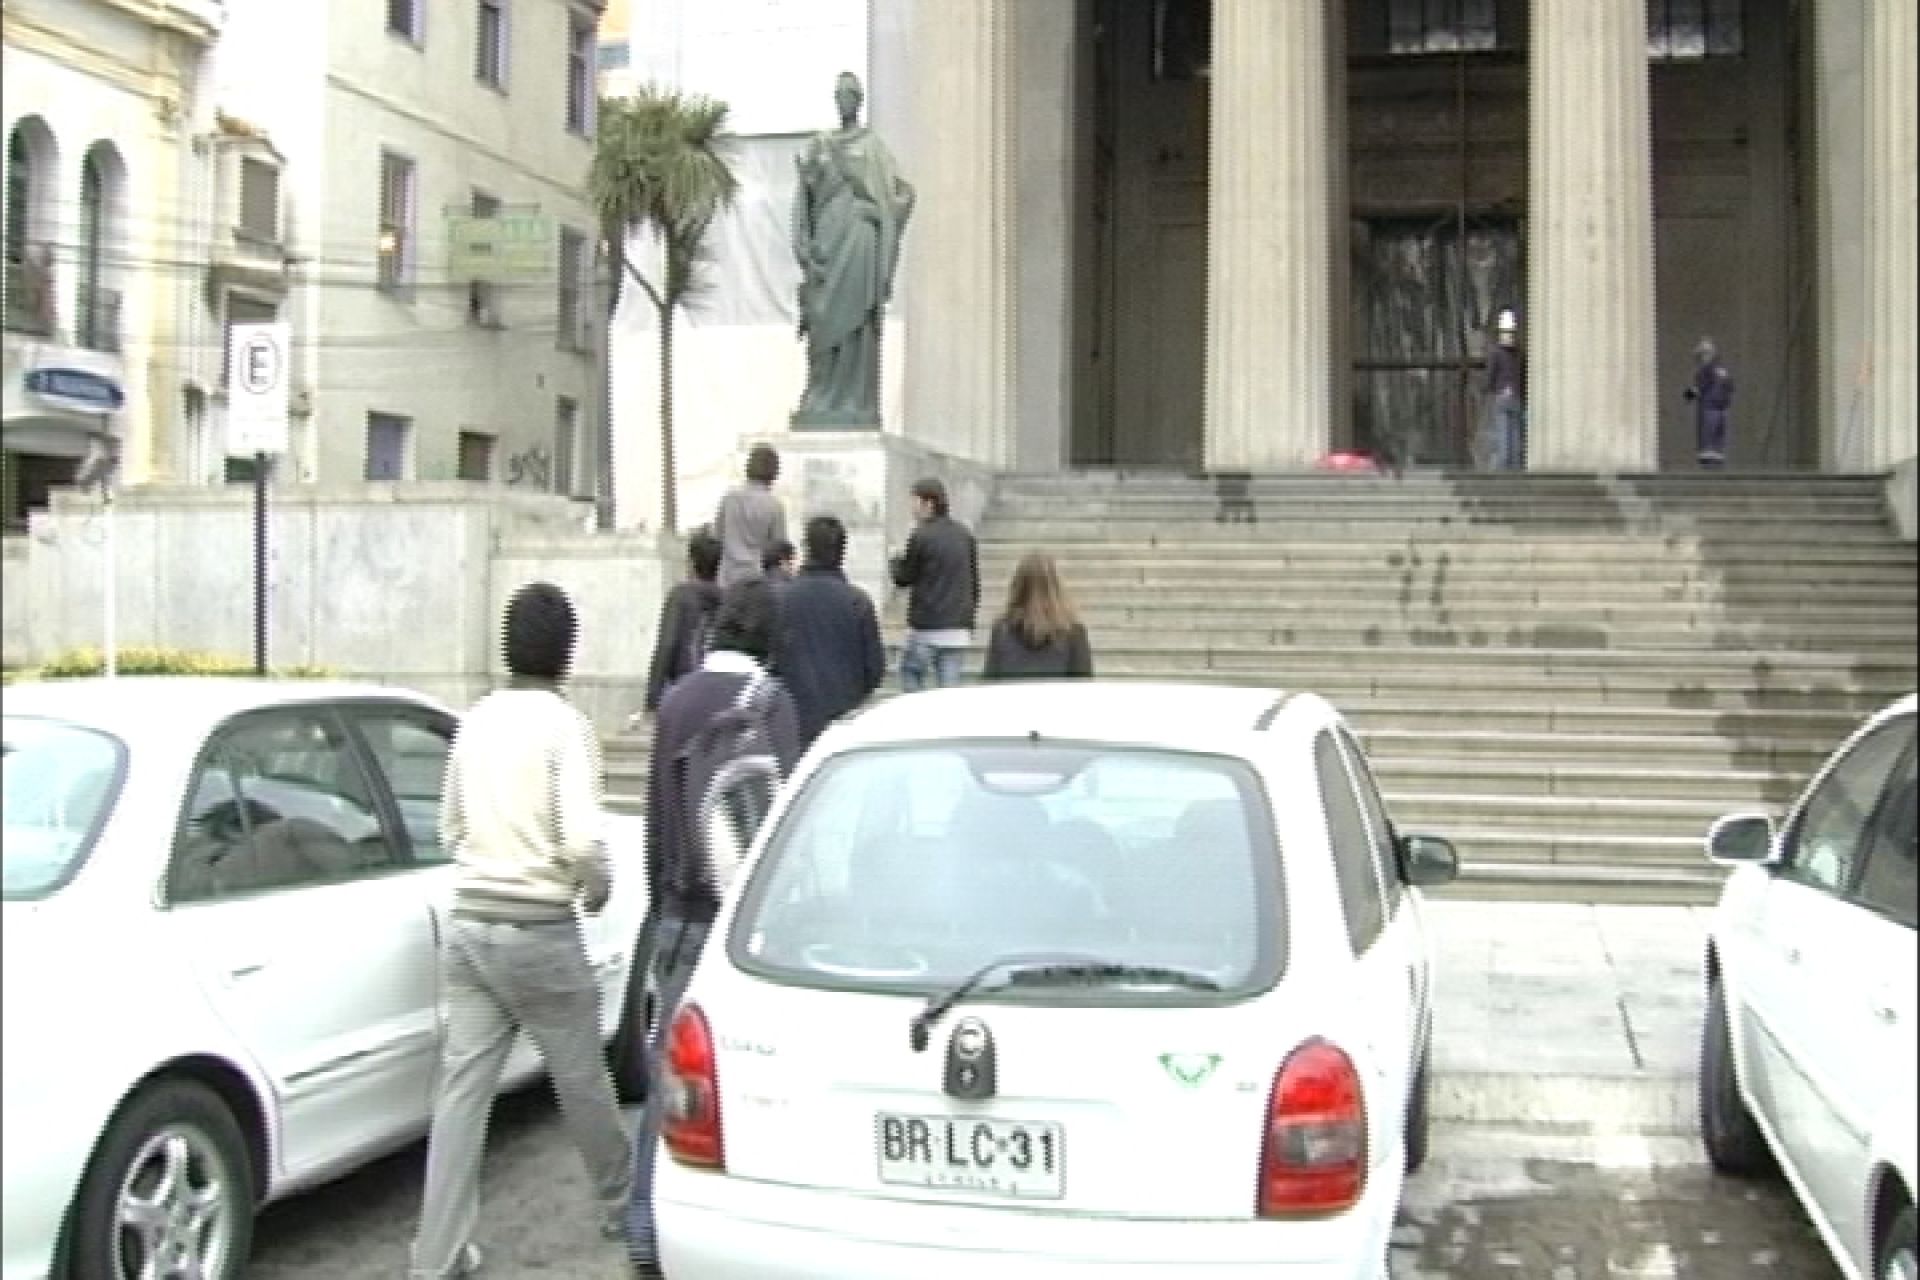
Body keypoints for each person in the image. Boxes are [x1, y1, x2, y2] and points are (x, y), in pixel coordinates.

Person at [410, 583, 631, 1280]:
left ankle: (436, 1255)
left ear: (506, 646)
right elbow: (583, 841)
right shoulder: (565, 727)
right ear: (568, 652)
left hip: (470, 926)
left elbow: (448, 828)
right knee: (582, 1080)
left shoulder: (474, 721)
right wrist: (597, 887)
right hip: (540, 929)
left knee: (461, 1095)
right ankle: (623, 1207)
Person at [628, 579, 800, 1279]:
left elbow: (657, 816)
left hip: (682, 911)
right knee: (762, 1077)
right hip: (743, 924)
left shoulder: (676, 702)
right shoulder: (774, 704)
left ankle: (646, 1224)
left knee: (669, 1078)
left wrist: (659, 909)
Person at [791, 71, 916, 426]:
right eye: (839, 95)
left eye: (849, 95)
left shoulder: (873, 147)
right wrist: (804, 242)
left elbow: (902, 194)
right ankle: (822, 397)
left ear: (858, 101)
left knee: (857, 323)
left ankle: (855, 400)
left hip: (860, 238)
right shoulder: (820, 145)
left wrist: (880, 212)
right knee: (822, 320)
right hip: (827, 241)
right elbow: (804, 197)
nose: (843, 101)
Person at [776, 515, 887, 749]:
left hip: (794, 720)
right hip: (844, 718)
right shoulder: (858, 602)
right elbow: (875, 669)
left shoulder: (781, 600)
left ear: (806, 548)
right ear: (842, 552)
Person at [890, 477, 979, 692]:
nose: (912, 508)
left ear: (928, 504)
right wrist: (968, 619)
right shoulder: (964, 534)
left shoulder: (921, 535)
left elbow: (904, 578)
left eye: (915, 502)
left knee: (911, 674)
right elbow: (974, 582)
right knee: (949, 690)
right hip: (958, 629)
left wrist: (895, 558)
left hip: (927, 627)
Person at [642, 526, 723, 716]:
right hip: (716, 693)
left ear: (691, 563)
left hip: (683, 690)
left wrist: (652, 699)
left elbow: (666, 645)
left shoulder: (680, 596)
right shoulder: (726, 600)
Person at [983, 553, 1095, 681]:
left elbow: (989, 682)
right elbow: (1083, 684)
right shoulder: (1074, 631)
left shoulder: (1001, 629)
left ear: (1018, 585)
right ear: (1055, 586)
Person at [714, 444, 787, 589]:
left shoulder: (729, 499)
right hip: (758, 579)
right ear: (774, 473)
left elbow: (717, 537)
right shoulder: (775, 505)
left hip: (728, 577)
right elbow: (778, 546)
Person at [1483, 308, 1527, 471]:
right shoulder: (1519, 353)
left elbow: (1490, 375)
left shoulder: (1495, 352)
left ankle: (1504, 467)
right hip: (1516, 396)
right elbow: (1522, 375)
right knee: (1515, 432)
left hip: (1502, 395)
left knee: (1502, 431)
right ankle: (1515, 465)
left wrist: (1488, 389)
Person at [1684, 337, 1735, 467]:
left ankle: (1708, 463)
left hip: (1709, 408)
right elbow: (1731, 388)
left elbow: (1700, 387)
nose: (1701, 358)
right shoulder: (1723, 370)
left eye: (1702, 355)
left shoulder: (1705, 369)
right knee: (1718, 442)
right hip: (1722, 410)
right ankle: (1717, 461)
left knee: (1707, 440)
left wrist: (1687, 396)